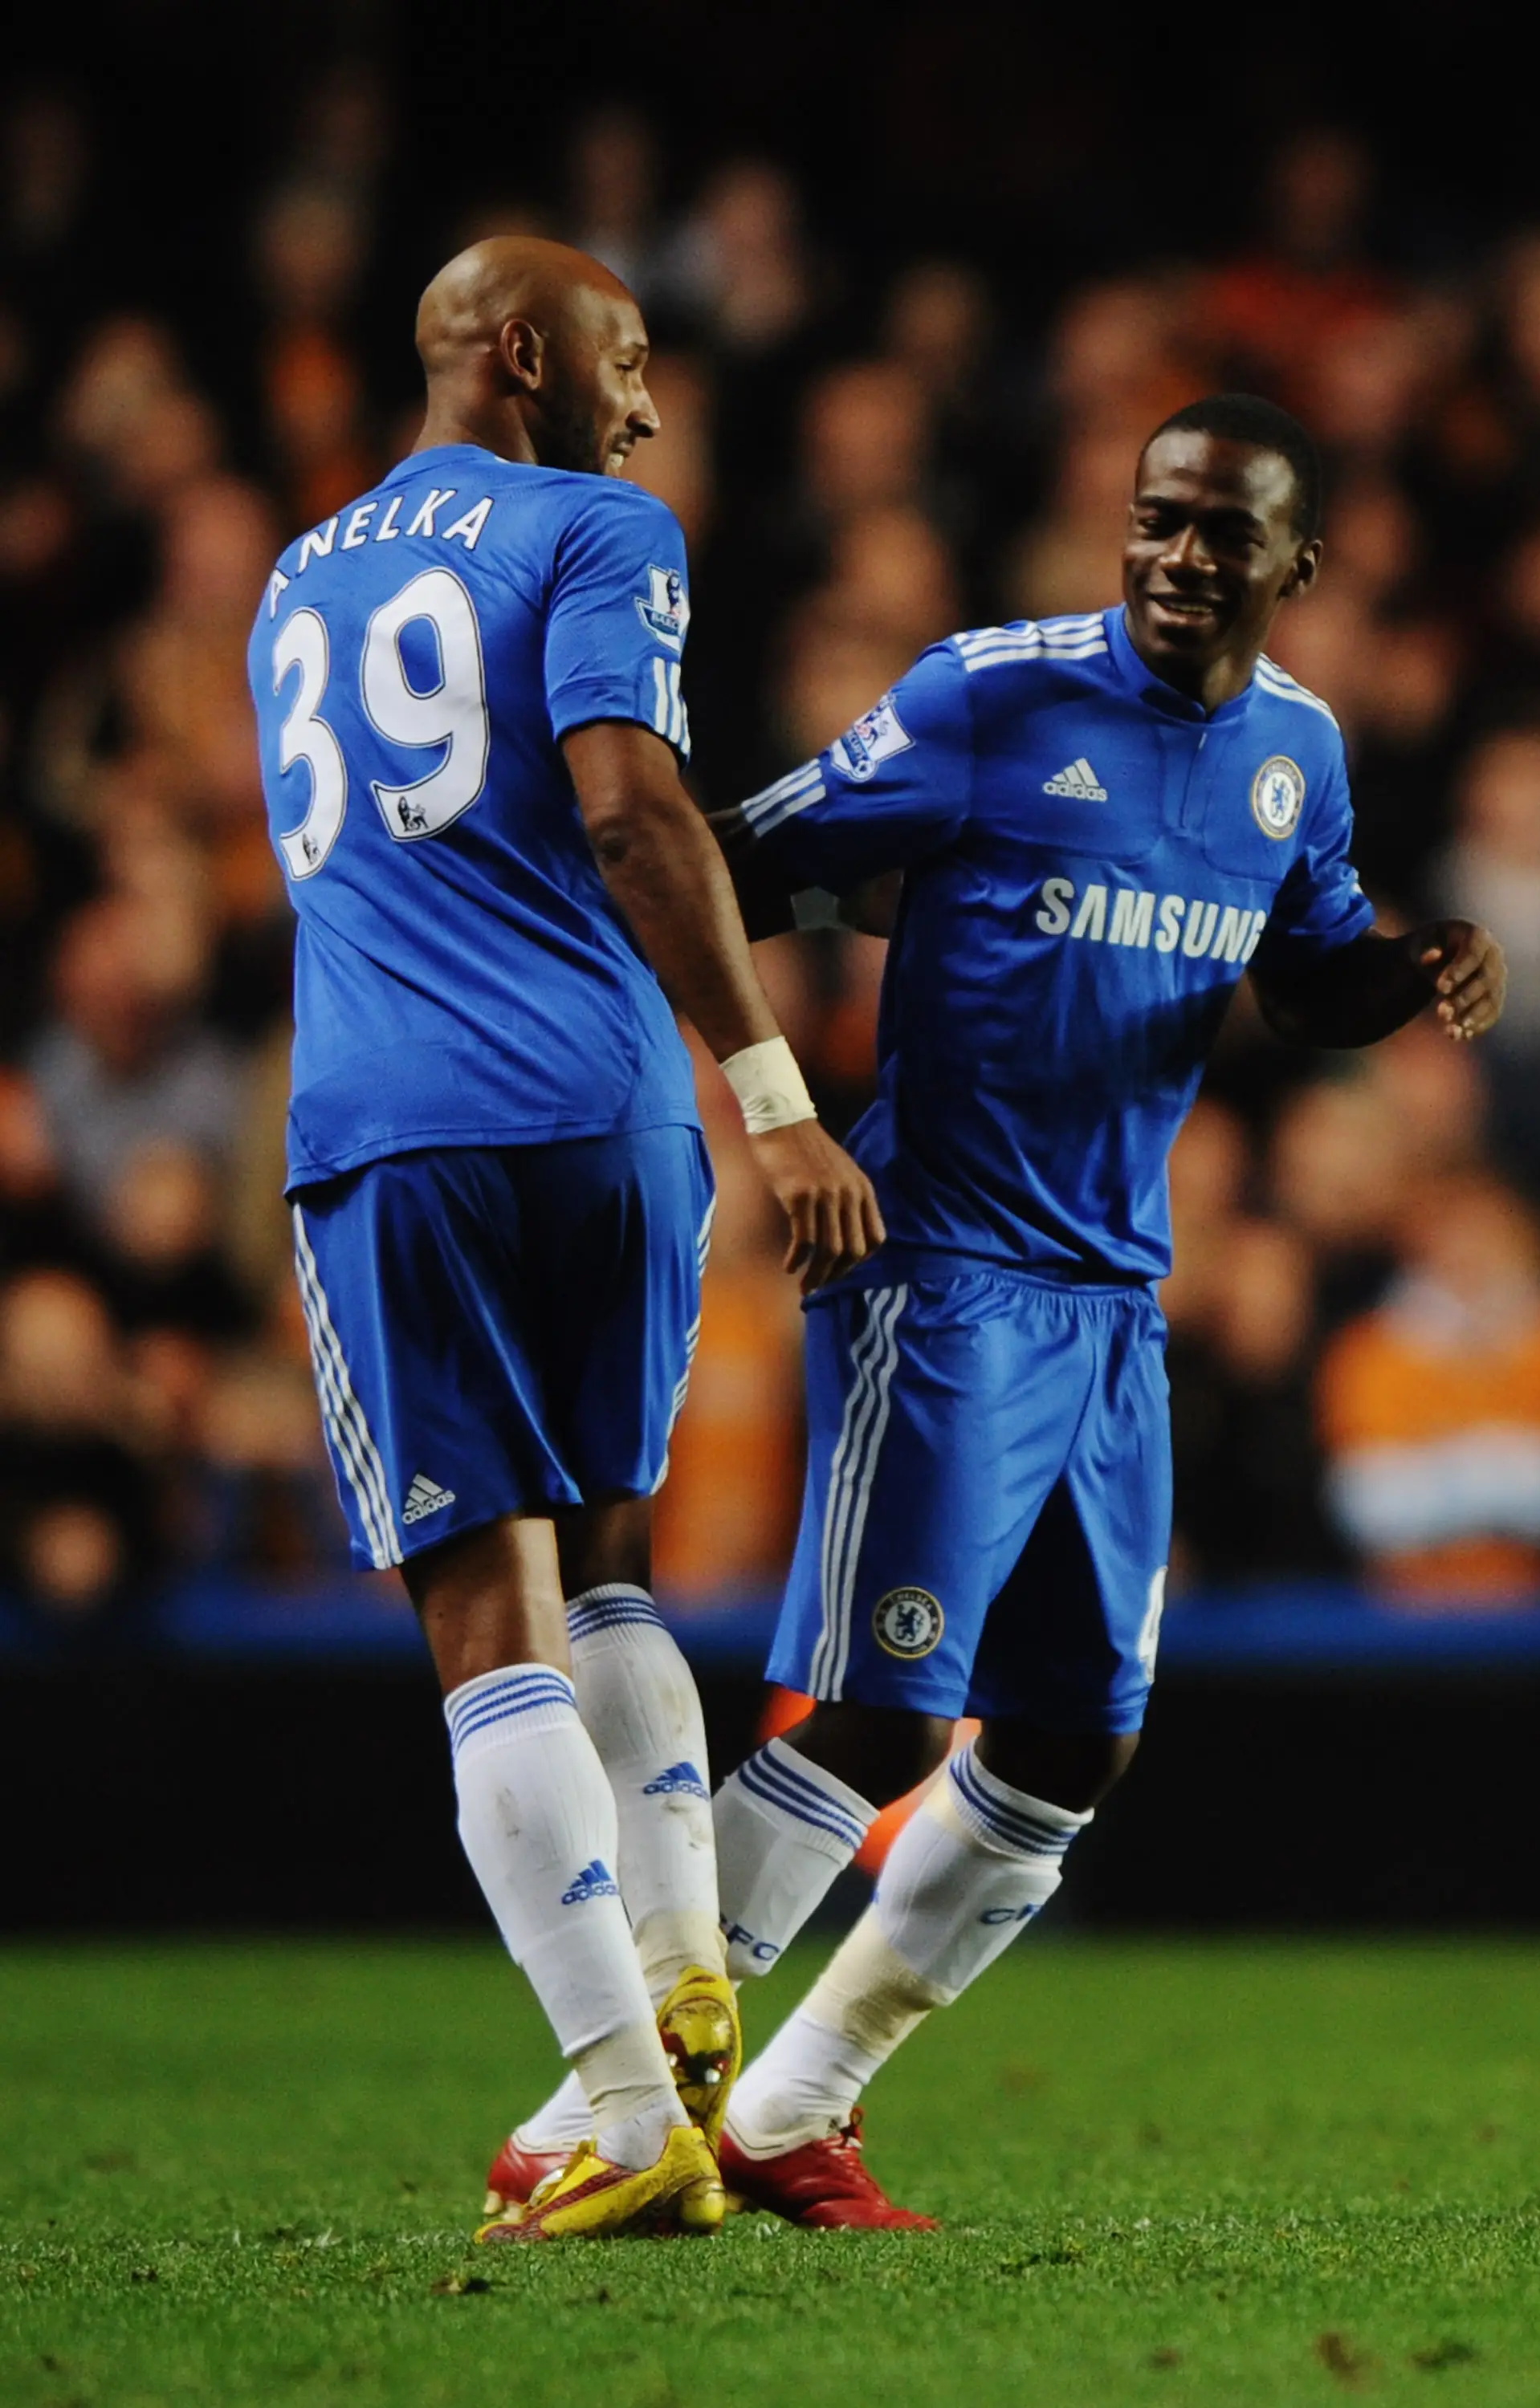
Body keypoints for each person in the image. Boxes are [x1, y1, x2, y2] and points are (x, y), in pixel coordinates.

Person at [489, 393, 1506, 2228]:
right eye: (1158, 521)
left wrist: (1408, 968)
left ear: (1300, 565)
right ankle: (602, 2101)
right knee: (881, 1715)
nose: (1183, 560)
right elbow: (751, 856)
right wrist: (761, 1095)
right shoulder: (990, 695)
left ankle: (795, 2104)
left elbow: (1306, 974)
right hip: (939, 1272)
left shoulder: (1297, 753)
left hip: (1116, 1299)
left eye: (1223, 534)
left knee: (1069, 1740)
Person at [246, 238, 882, 2244]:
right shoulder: (599, 526)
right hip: (606, 1116)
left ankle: (622, 2102)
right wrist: (771, 1097)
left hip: (397, 1126)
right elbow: (629, 809)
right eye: (626, 358)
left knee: (478, 1613)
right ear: (524, 352)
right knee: (609, 1551)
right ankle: (688, 1962)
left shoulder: (295, 575)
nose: (651, 402)